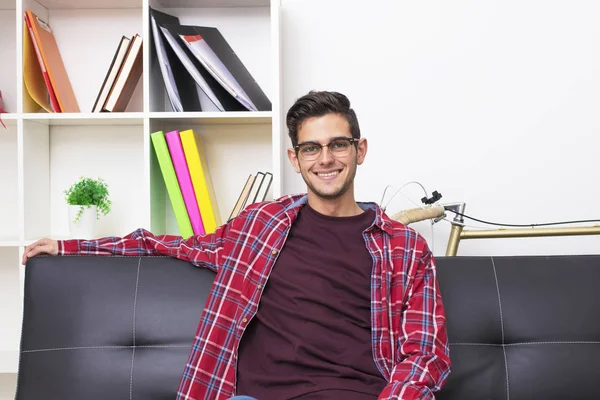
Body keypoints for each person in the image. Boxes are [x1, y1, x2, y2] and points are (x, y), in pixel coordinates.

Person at [22, 90, 451, 400]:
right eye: (311, 148)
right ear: (294, 159)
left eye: (338, 145)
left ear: (360, 150)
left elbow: (426, 354)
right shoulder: (260, 225)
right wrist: (68, 246)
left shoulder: (404, 248)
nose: (326, 159)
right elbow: (165, 245)